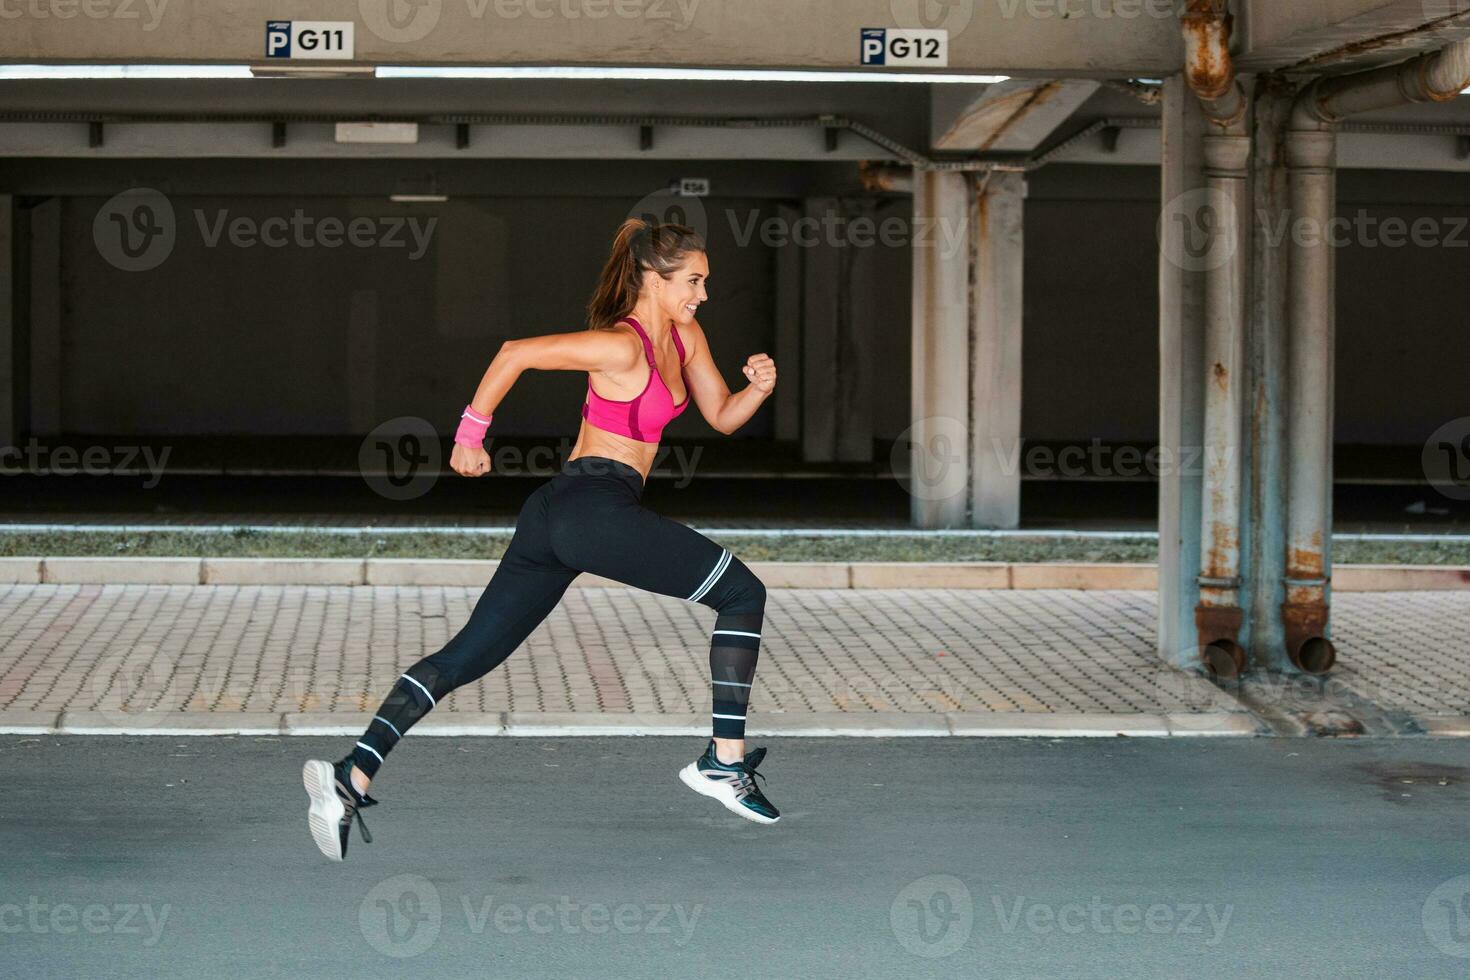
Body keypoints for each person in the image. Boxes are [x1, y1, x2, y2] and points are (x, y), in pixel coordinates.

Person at [303, 217, 781, 861]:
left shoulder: (685, 335)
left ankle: (350, 775)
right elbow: (514, 353)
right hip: (592, 510)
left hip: (558, 516)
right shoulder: (621, 346)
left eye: (705, 281)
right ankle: (723, 764)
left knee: (466, 657)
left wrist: (758, 388)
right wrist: (470, 437)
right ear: (654, 277)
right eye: (693, 280)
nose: (702, 293)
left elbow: (721, 415)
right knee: (742, 594)